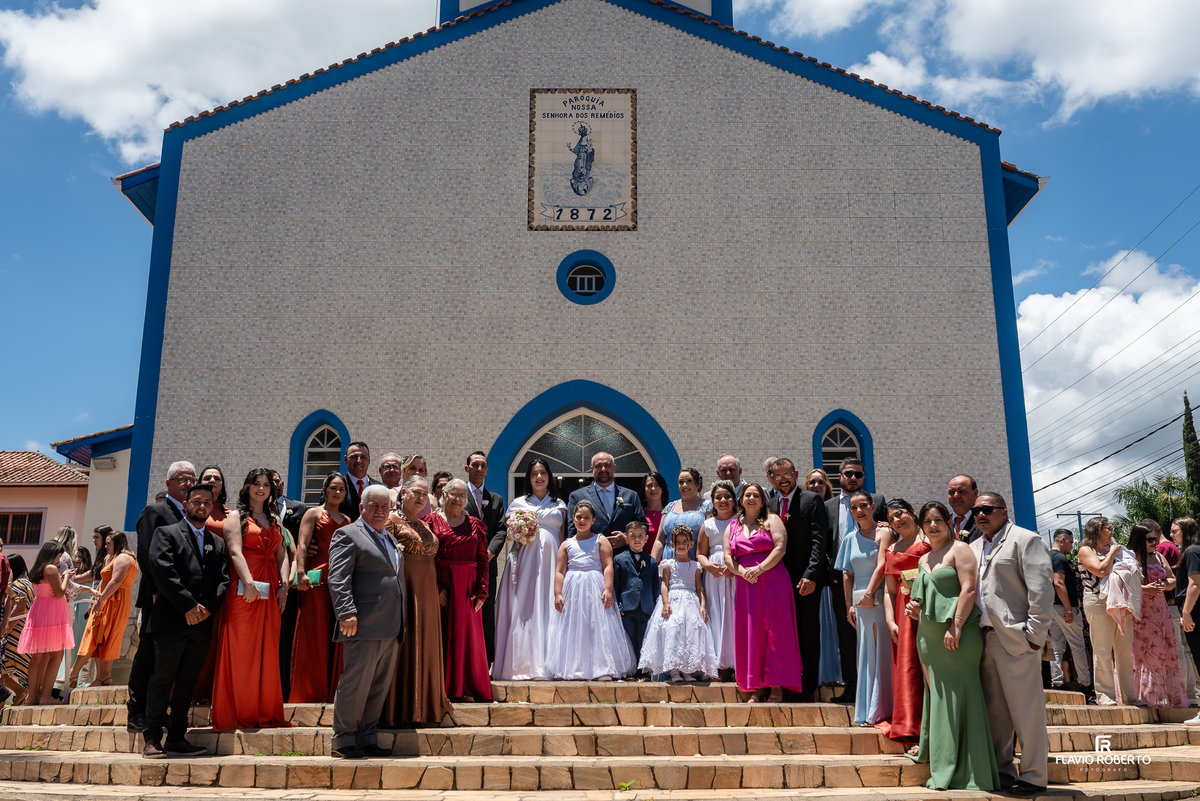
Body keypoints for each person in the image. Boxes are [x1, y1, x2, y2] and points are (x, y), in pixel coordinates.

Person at [907, 501, 997, 791]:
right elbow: (931, 599)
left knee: (962, 698)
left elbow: (969, 588)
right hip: (928, 638)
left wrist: (956, 625)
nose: (933, 526)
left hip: (957, 635)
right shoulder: (924, 559)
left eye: (938, 521)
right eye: (928, 522)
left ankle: (968, 771)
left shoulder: (960, 549)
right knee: (939, 699)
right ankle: (941, 759)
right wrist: (915, 610)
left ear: (949, 522)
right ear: (922, 526)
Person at [970, 492, 1052, 794]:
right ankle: (1002, 771)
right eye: (977, 510)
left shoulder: (1025, 540)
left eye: (987, 509)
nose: (981, 514)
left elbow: (1041, 591)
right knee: (996, 713)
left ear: (1004, 512)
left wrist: (1034, 637)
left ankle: (1033, 775)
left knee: (1026, 711)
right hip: (984, 638)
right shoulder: (973, 547)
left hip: (1017, 639)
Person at [141, 483, 229, 758]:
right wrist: (188, 606)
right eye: (196, 502)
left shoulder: (218, 543)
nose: (201, 506)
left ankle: (177, 737)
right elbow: (162, 570)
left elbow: (223, 580)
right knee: (162, 680)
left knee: (188, 684)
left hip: (202, 625)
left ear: (212, 506)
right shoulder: (166, 533)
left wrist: (206, 610)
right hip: (171, 621)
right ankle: (152, 738)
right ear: (186, 504)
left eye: (207, 502)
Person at [328, 484, 406, 759]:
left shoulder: (390, 538)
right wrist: (346, 611)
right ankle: (343, 739)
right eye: (374, 506)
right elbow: (338, 577)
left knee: (377, 686)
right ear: (362, 508)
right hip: (362, 623)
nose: (380, 511)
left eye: (385, 507)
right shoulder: (347, 535)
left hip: (391, 625)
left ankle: (367, 736)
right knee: (355, 684)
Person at [212, 468, 290, 731]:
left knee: (268, 650)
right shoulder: (236, 517)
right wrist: (247, 583)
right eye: (256, 484)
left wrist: (285, 585)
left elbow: (284, 555)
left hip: (271, 593)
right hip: (244, 590)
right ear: (247, 487)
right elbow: (234, 552)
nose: (261, 488)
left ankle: (264, 711)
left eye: (266, 484)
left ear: (271, 489)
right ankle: (239, 712)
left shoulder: (275, 519)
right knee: (242, 650)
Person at [128, 460, 193, 732]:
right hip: (158, 598)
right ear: (169, 484)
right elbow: (146, 555)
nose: (188, 483)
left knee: (170, 659)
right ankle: (136, 711)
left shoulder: (192, 517)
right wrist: (156, 590)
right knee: (147, 654)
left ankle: (158, 711)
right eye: (182, 479)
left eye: (192, 478)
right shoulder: (155, 512)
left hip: (182, 599)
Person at [383, 476, 453, 727]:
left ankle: (425, 703)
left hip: (427, 589)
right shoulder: (390, 520)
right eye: (416, 492)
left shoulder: (423, 523)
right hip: (405, 586)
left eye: (425, 493)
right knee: (405, 641)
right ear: (402, 493)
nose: (421, 497)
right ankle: (401, 708)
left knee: (425, 641)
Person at [727, 482, 803, 701]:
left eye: (756, 495)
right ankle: (757, 686)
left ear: (762, 500)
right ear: (741, 500)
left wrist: (759, 569)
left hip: (772, 580)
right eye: (747, 495)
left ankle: (777, 685)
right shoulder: (733, 525)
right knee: (752, 633)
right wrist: (742, 572)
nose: (751, 498)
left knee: (776, 631)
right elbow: (727, 556)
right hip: (746, 585)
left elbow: (780, 547)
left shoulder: (772, 520)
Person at [493, 458, 567, 681]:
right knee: (525, 606)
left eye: (543, 473)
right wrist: (519, 531)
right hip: (524, 561)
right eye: (534, 473)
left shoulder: (560, 505)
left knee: (548, 605)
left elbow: (562, 538)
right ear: (529, 478)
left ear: (549, 476)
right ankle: (521, 665)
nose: (539, 477)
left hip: (552, 560)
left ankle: (550, 663)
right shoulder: (517, 504)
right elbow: (508, 537)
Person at [546, 500, 636, 680]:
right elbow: (560, 571)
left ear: (593, 519)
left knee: (597, 625)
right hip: (573, 588)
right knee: (574, 626)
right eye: (578, 517)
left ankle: (602, 667)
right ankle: (572, 668)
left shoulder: (600, 539)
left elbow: (608, 565)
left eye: (586, 517)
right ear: (573, 519)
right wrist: (557, 593)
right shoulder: (566, 544)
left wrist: (608, 589)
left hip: (595, 586)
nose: (582, 520)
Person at [765, 458, 830, 701]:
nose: (782, 479)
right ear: (771, 477)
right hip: (777, 581)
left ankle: (808, 687)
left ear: (796, 474)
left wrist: (811, 575)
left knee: (807, 633)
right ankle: (785, 682)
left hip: (805, 581)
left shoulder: (811, 501)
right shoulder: (769, 505)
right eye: (777, 475)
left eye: (787, 474)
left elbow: (819, 541)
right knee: (782, 634)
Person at [823, 458, 886, 702]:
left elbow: (886, 530)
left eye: (858, 475)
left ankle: (878, 690)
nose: (853, 478)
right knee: (847, 636)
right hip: (842, 580)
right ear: (839, 476)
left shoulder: (878, 501)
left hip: (875, 581)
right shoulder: (827, 505)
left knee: (876, 635)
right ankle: (853, 688)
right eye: (848, 473)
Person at [834, 491, 893, 726]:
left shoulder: (884, 533)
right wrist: (849, 605)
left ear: (872, 506)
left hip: (878, 599)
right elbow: (847, 574)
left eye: (863, 506)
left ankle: (881, 709)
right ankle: (867, 710)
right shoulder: (849, 538)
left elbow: (881, 566)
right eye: (854, 507)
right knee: (865, 654)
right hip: (859, 604)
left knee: (881, 653)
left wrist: (869, 594)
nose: (859, 511)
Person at [290, 472, 348, 703]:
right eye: (333, 487)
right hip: (314, 580)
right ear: (324, 489)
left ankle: (333, 691)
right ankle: (309, 693)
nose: (337, 492)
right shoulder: (313, 513)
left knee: (336, 637)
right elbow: (302, 544)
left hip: (340, 582)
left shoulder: (348, 519)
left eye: (341, 489)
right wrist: (300, 572)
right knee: (313, 634)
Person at [433, 479, 493, 702]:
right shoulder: (430, 521)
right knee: (444, 634)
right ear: (444, 495)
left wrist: (482, 589)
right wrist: (436, 587)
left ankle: (466, 686)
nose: (457, 499)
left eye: (462, 495)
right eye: (453, 494)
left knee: (467, 636)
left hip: (468, 587)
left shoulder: (476, 524)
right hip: (442, 584)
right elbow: (425, 557)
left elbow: (483, 558)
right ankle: (444, 687)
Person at [878, 499, 930, 744]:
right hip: (903, 614)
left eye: (900, 514)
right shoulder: (892, 549)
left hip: (931, 609)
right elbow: (889, 590)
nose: (897, 520)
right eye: (891, 519)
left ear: (912, 512)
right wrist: (890, 621)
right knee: (908, 667)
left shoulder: (930, 541)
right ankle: (912, 726)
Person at [639, 525, 718, 682]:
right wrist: (666, 603)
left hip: (690, 603)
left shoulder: (695, 566)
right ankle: (674, 670)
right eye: (678, 542)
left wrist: (702, 606)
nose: (681, 545)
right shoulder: (668, 564)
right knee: (673, 631)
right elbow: (664, 585)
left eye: (685, 542)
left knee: (690, 633)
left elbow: (699, 587)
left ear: (691, 544)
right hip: (673, 601)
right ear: (672, 544)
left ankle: (687, 670)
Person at [1078, 516, 1137, 706]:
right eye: (1108, 528)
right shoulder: (1086, 550)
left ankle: (1129, 696)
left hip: (1120, 601)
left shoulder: (1116, 551)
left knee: (1125, 651)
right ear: (1097, 530)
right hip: (1097, 601)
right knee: (1102, 650)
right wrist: (1112, 552)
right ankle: (1105, 696)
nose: (1111, 532)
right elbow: (1101, 571)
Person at [69, 531, 137, 688]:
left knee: (97, 635)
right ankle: (102, 677)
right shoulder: (117, 558)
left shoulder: (123, 558)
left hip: (113, 601)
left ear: (118, 543)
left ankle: (74, 672)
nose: (105, 546)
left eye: (109, 543)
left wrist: (101, 600)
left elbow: (115, 581)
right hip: (110, 600)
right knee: (101, 638)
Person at [1128, 522, 1185, 708]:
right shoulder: (1129, 558)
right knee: (1144, 654)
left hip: (1161, 612)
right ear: (1139, 539)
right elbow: (1123, 584)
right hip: (1140, 613)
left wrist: (1163, 585)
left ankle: (1164, 698)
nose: (1154, 542)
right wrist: (1145, 589)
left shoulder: (1159, 556)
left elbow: (1172, 579)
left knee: (1164, 651)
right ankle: (1144, 697)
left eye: (1155, 538)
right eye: (1150, 539)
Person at [17, 541, 74, 705]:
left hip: (40, 611)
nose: (59, 558)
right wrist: (67, 577)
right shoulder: (51, 568)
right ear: (53, 553)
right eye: (59, 555)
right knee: (57, 654)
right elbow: (59, 593)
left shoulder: (37, 568)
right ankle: (46, 696)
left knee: (37, 656)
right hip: (52, 613)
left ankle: (32, 697)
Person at [462, 451, 505, 664]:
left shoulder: (496, 499)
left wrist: (490, 552)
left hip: (488, 565)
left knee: (487, 611)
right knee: (465, 610)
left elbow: (501, 529)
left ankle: (487, 661)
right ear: (466, 468)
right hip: (464, 563)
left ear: (487, 470)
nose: (479, 469)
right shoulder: (458, 496)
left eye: (483, 465)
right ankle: (465, 658)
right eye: (475, 465)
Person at [270, 469, 306, 702]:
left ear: (282, 483)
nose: (270, 485)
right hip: (259, 580)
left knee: (285, 636)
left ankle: (282, 689)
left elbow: (302, 543)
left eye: (274, 481)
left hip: (288, 584)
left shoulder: (300, 509)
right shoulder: (249, 513)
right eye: (263, 482)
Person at [697, 481, 738, 678]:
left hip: (737, 574)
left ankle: (739, 660)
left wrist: (735, 568)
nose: (723, 501)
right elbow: (700, 554)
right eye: (718, 497)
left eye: (727, 497)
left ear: (734, 499)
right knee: (718, 613)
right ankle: (721, 663)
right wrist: (708, 566)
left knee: (734, 613)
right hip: (715, 576)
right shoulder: (708, 525)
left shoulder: (742, 521)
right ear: (712, 501)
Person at [566, 453, 647, 552]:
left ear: (614, 468)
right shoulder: (577, 496)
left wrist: (626, 538)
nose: (603, 469)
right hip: (591, 556)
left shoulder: (631, 496)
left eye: (607, 466)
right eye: (598, 466)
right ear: (592, 469)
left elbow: (642, 525)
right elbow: (571, 529)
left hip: (624, 558)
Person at [1045, 529, 1091, 693]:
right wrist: (1068, 610)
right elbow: (1058, 582)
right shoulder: (1059, 557)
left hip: (1051, 607)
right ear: (1063, 539)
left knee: (1057, 647)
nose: (1071, 547)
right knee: (1077, 646)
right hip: (1064, 608)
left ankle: (1057, 683)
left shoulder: (1046, 556)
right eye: (1071, 542)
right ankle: (1085, 684)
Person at [613, 520, 659, 672]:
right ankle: (629, 670)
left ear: (646, 538)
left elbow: (655, 587)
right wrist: (618, 606)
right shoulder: (619, 559)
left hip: (646, 608)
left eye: (641, 536)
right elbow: (616, 585)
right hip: (627, 607)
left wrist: (656, 608)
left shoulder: (652, 561)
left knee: (643, 638)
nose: (637, 539)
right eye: (633, 536)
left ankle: (643, 669)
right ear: (626, 538)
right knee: (628, 639)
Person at [1172, 517, 1200, 725]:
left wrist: (1187, 613)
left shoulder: (1191, 552)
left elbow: (1194, 584)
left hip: (1195, 613)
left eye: (1175, 531)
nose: (1172, 535)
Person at [651, 468, 709, 562]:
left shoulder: (707, 506)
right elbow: (660, 540)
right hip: (669, 562)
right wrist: (652, 564)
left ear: (698, 483)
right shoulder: (669, 507)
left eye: (689, 481)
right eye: (681, 482)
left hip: (694, 562)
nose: (684, 485)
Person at [2, 556, 33, 704]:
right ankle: (20, 692)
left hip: (14, 633)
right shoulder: (29, 584)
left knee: (2, 668)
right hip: (21, 631)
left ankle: (19, 692)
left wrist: (5, 628)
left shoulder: (18, 584)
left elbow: (19, 609)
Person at [339, 441, 379, 522]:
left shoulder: (380, 488)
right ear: (345, 459)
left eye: (363, 457)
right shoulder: (335, 487)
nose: (359, 461)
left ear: (369, 460)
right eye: (354, 456)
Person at [947, 475, 982, 543]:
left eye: (961, 491)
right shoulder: (943, 524)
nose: (956, 496)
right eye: (952, 492)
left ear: (975, 493)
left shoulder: (984, 522)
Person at [640, 472, 668, 553]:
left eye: (657, 485)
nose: (653, 488)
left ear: (662, 489)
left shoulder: (670, 513)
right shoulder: (638, 514)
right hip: (644, 562)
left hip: (666, 562)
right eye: (649, 486)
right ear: (644, 490)